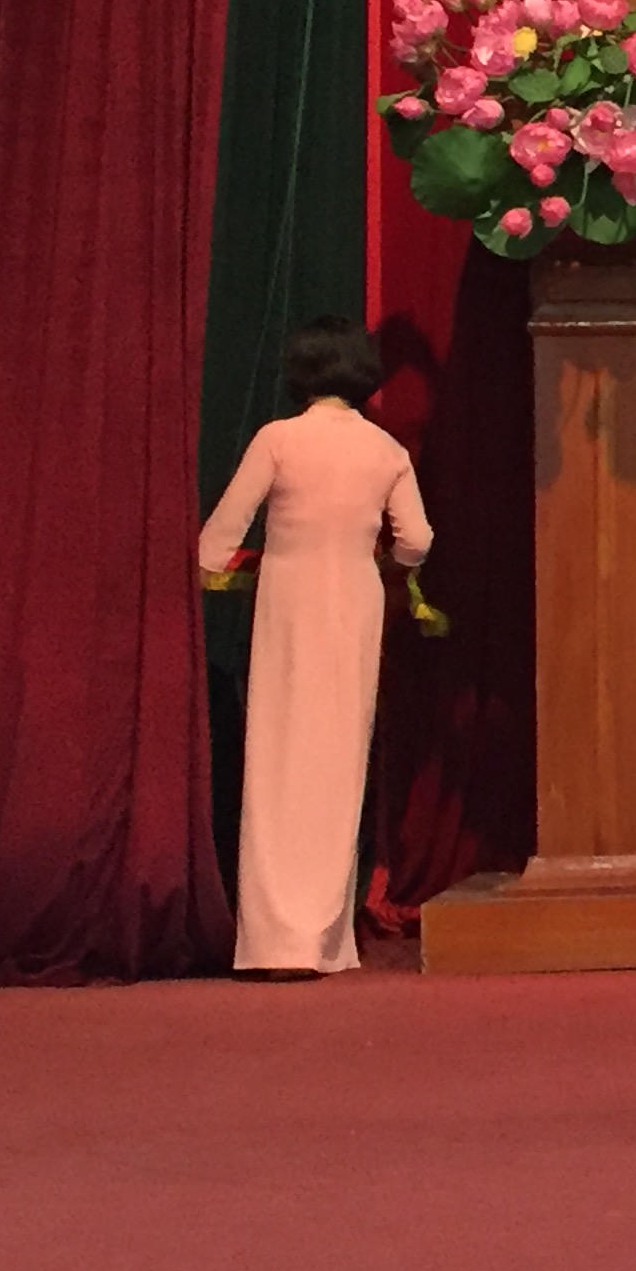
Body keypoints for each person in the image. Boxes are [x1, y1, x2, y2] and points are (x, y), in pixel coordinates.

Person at [196, 318, 434, 977]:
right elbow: (417, 540)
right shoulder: (385, 449)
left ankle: (275, 941)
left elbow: (215, 543)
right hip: (354, 602)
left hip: (290, 601)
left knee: (278, 757)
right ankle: (325, 940)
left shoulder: (278, 439)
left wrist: (250, 565)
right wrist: (381, 560)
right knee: (339, 756)